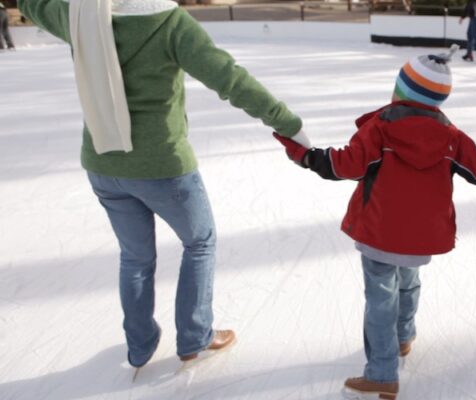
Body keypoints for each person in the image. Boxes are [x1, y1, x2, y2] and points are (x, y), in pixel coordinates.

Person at [18, 0, 310, 371]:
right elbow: (230, 79)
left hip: (103, 164)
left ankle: (139, 346)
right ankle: (195, 338)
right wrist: (287, 123)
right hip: (162, 167)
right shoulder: (170, 22)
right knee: (199, 242)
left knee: (135, 257)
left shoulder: (78, 13)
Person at [273, 46, 476, 400]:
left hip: (379, 233)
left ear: (401, 90)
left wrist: (303, 155)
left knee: (381, 297)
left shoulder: (380, 130)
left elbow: (343, 165)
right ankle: (402, 337)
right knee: (409, 280)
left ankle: (382, 376)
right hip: (420, 240)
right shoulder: (451, 138)